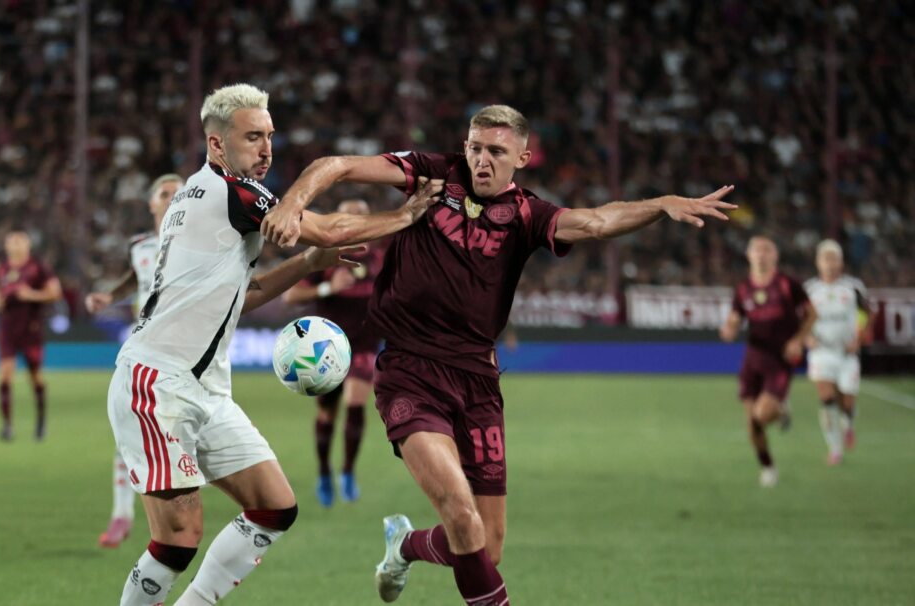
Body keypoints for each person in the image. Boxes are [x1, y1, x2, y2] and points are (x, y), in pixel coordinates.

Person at [261, 104, 736, 605]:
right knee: (462, 517)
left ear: (523, 157)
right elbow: (338, 165)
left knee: (487, 543)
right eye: (474, 147)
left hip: (478, 384)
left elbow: (596, 222)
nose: (481, 160)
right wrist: (292, 203)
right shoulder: (432, 174)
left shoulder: (529, 215)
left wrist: (660, 203)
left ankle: (404, 545)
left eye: (495, 151)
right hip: (409, 374)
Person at [106, 83, 443, 606]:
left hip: (205, 388)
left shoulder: (207, 197)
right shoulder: (232, 192)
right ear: (217, 145)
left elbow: (249, 291)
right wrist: (403, 217)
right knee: (177, 538)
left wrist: (307, 266)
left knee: (274, 506)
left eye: (269, 136)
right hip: (157, 381)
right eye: (252, 138)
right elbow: (327, 228)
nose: (266, 149)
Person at [86, 174, 184, 548]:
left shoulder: (204, 242)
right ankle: (121, 514)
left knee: (181, 432)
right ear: (151, 204)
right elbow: (135, 278)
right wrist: (107, 297)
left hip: (185, 350)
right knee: (128, 431)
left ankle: (176, 508)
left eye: (181, 191)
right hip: (143, 348)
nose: (174, 196)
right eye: (166, 192)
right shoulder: (141, 246)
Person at [282, 198, 386, 507]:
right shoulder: (325, 258)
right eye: (349, 217)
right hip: (325, 348)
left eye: (362, 217)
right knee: (327, 413)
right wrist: (328, 289)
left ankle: (348, 472)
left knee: (356, 405)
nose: (355, 223)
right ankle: (325, 471)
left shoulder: (381, 259)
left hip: (365, 344)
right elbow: (291, 296)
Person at [720, 236, 817, 487]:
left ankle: (780, 409)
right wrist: (729, 328)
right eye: (757, 250)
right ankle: (768, 467)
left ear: (775, 256)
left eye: (767, 250)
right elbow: (735, 316)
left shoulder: (787, 284)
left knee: (762, 414)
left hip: (780, 359)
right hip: (753, 359)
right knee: (751, 424)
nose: (761, 255)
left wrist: (799, 339)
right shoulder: (743, 288)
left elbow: (812, 313)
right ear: (749, 256)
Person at [804, 239, 872, 465]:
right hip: (821, 350)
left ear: (841, 262)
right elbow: (798, 319)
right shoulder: (809, 289)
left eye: (834, 259)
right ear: (818, 262)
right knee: (826, 397)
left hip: (847, 353)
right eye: (826, 259)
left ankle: (849, 424)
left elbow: (867, 314)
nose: (830, 264)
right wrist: (806, 337)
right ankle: (835, 449)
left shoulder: (853, 287)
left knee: (847, 402)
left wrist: (859, 339)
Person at [0, 230, 62, 441]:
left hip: (31, 329)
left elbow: (55, 292)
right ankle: (7, 426)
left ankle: (41, 421)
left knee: (35, 377)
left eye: (19, 240)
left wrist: (31, 295)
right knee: (5, 375)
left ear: (27, 245)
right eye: (11, 241)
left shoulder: (38, 267)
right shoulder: (3, 269)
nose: (15, 244)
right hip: (7, 328)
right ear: (6, 246)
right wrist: (0, 302)